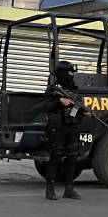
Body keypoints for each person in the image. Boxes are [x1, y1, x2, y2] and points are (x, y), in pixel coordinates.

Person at [41, 60, 84, 201]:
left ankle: (69, 189)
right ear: (62, 73)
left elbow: (78, 108)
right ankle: (50, 189)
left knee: (72, 158)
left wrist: (84, 112)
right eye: (70, 72)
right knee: (55, 158)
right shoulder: (53, 89)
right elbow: (46, 107)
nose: (72, 75)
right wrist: (59, 102)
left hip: (72, 127)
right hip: (57, 128)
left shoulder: (74, 90)